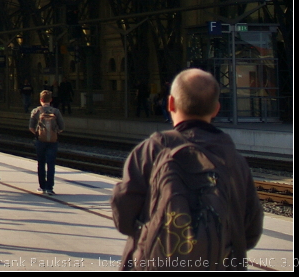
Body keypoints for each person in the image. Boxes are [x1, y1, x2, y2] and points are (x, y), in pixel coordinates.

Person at [110, 68, 263, 270]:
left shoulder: (152, 150)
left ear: (170, 103)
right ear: (216, 108)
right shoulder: (234, 161)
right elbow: (250, 231)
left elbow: (124, 216)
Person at [28, 89, 64, 195]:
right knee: (51, 164)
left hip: (40, 141)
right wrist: (55, 132)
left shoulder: (36, 111)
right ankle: (50, 188)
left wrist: (37, 133)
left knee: (41, 163)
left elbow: (30, 127)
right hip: (53, 141)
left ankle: (42, 186)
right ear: (51, 100)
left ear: (41, 100)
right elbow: (62, 127)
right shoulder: (56, 111)